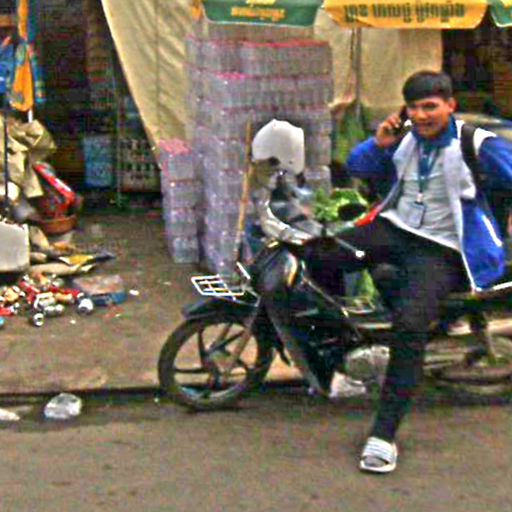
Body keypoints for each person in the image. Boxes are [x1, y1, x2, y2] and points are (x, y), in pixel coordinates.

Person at [331, 70, 512, 473]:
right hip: (396, 228)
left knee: (409, 326)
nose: (421, 115)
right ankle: (337, 357)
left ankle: (383, 436)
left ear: (450, 105)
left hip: (443, 247)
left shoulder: (477, 143)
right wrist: (380, 142)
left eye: (430, 107)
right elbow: (358, 166)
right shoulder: (405, 138)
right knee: (321, 254)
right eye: (413, 107)